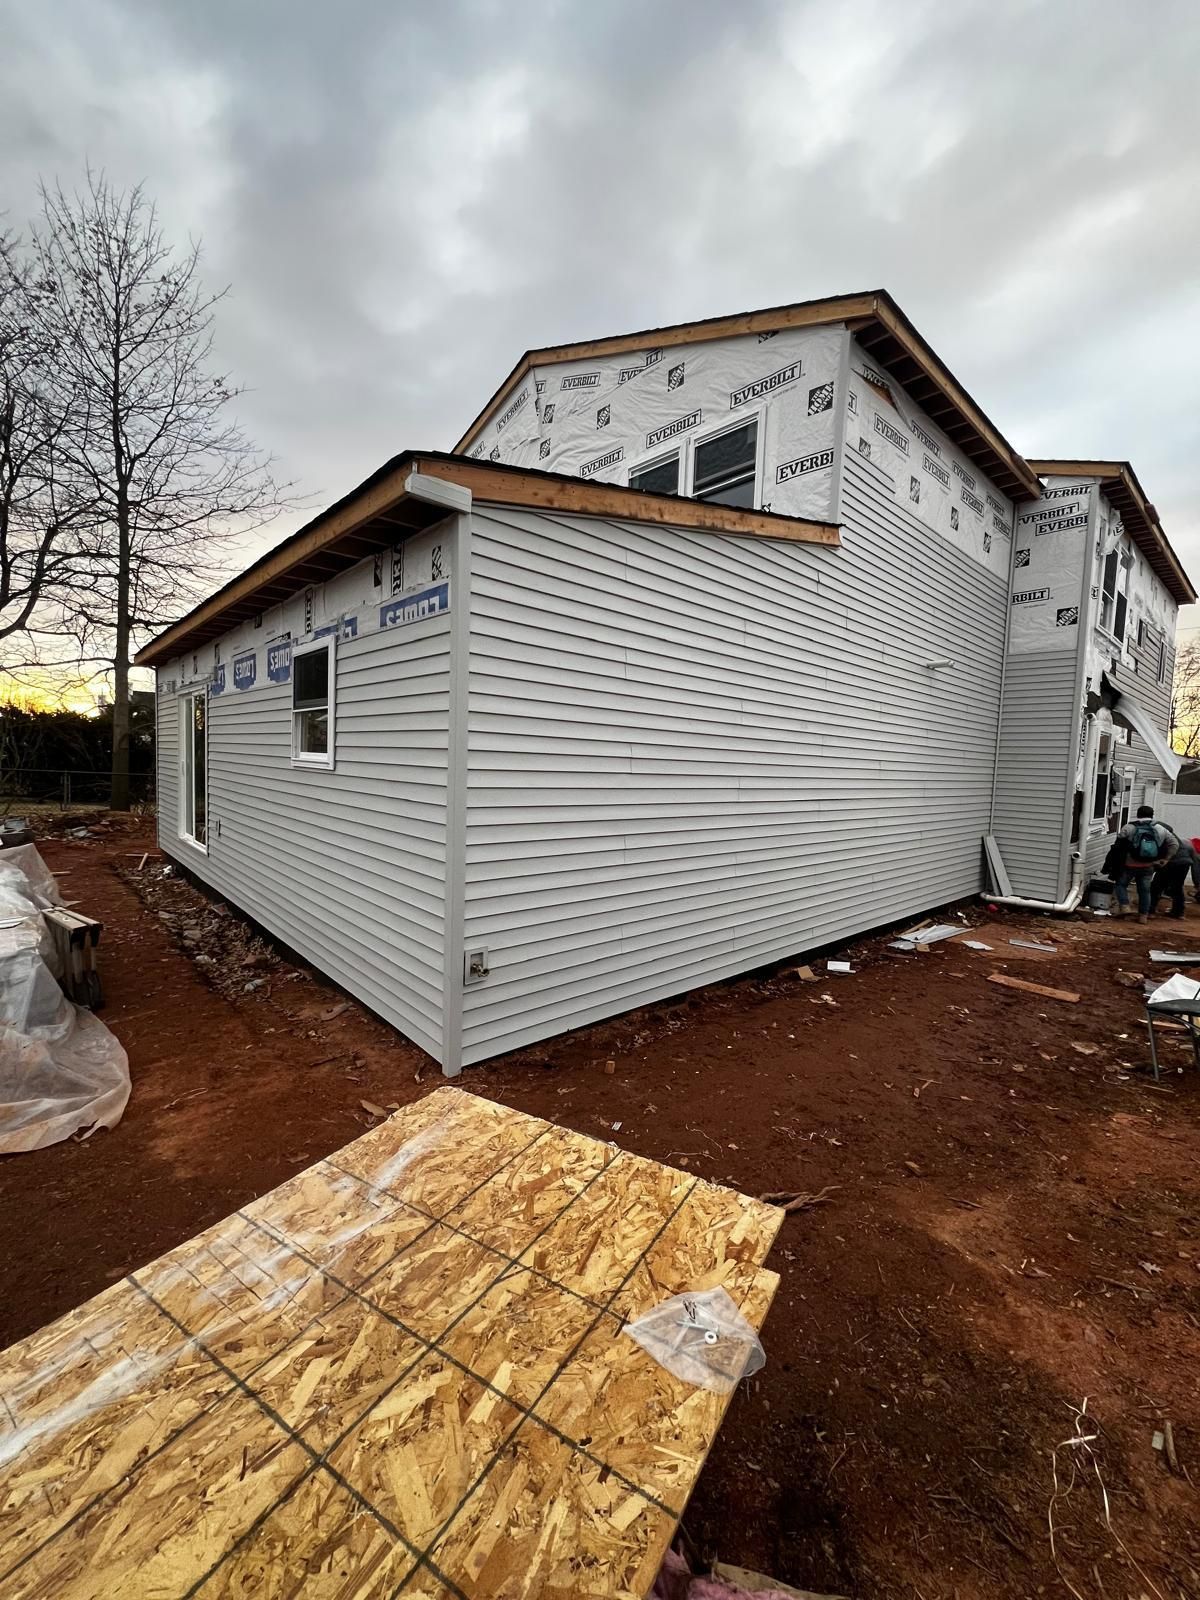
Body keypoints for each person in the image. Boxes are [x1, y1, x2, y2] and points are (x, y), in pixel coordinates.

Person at [1113, 805, 1177, 923]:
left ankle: (1125, 906)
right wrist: (1166, 859)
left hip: (1129, 864)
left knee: (1120, 885)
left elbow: (1118, 843)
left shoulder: (1129, 827)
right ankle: (1143, 916)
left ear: (1138, 814)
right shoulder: (1160, 828)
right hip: (1149, 865)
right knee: (1144, 890)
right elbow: (1174, 844)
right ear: (1152, 815)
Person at [1153, 827, 1200, 919]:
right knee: (1177, 887)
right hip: (1181, 863)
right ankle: (1179, 912)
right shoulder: (1192, 849)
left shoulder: (1185, 842)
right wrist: (1197, 884)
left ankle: (1150, 910)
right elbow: (1196, 869)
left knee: (1157, 885)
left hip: (1170, 861)